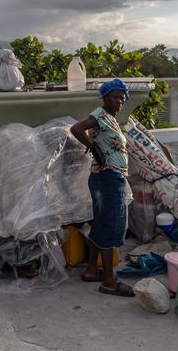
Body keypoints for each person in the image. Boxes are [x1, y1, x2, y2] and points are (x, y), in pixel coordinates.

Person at [70, 78, 135, 297]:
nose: (120, 101)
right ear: (105, 98)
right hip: (107, 178)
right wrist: (93, 149)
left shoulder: (112, 121)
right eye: (115, 96)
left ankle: (91, 270)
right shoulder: (100, 115)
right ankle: (108, 280)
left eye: (122, 97)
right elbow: (76, 128)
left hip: (106, 178)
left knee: (101, 224)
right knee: (110, 226)